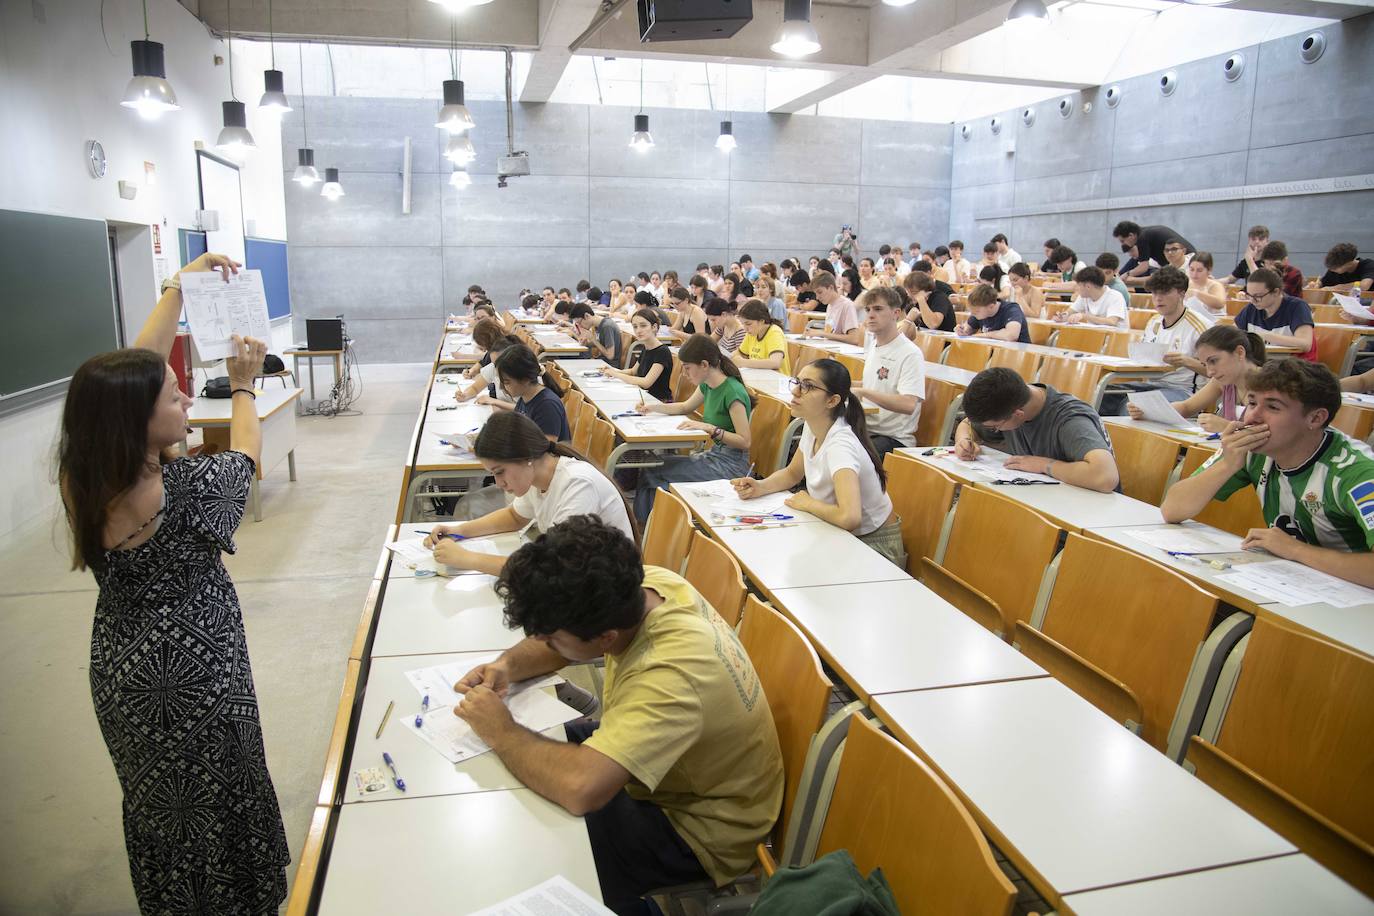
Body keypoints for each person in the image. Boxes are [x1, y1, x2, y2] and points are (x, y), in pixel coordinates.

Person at [59, 252, 290, 913]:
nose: (186, 396)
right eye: (173, 395)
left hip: (124, 670)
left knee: (164, 805)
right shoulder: (187, 490)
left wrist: (176, 290)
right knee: (224, 797)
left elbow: (128, 380)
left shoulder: (86, 480)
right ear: (138, 419)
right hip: (199, 676)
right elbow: (245, 455)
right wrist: (243, 385)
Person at [452, 516, 783, 916]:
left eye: (551, 636)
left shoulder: (670, 670)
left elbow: (581, 787)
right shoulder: (643, 586)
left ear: (606, 637)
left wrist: (501, 730)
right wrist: (506, 665)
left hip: (700, 826)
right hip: (681, 773)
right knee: (531, 764)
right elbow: (570, 645)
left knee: (545, 853)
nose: (544, 644)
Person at [1160, 359, 1374, 587]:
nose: (1253, 417)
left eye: (1273, 407)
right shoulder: (1253, 449)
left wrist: (1296, 550)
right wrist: (1227, 465)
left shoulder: (1358, 473)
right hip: (1296, 584)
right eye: (1252, 403)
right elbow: (1172, 510)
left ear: (1315, 418)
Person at [733, 359, 906, 566]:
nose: (796, 391)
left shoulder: (840, 446)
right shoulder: (813, 424)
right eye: (798, 382)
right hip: (839, 532)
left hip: (875, 546)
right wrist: (760, 487)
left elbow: (849, 517)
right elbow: (792, 474)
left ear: (832, 401)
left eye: (808, 386)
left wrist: (809, 503)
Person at [425, 414, 635, 577]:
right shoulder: (538, 476)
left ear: (526, 457)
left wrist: (468, 559)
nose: (498, 483)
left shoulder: (577, 485)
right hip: (580, 579)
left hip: (606, 594)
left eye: (500, 472)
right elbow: (515, 516)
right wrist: (459, 531)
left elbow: (550, 568)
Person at [634, 336, 752, 522]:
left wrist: (710, 428)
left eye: (688, 368)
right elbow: (684, 407)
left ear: (704, 364)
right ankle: (648, 526)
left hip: (730, 465)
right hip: (715, 455)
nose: (685, 374)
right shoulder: (708, 384)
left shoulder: (732, 392)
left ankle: (652, 528)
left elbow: (745, 441)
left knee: (655, 473)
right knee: (652, 467)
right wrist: (653, 407)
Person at [954, 368, 1120, 492]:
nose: (993, 430)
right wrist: (964, 441)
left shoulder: (1071, 420)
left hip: (1087, 511)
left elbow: (1105, 477)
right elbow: (967, 424)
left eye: (995, 428)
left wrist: (1043, 465)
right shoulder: (1010, 401)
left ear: (1018, 414)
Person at [1127, 325, 1265, 432]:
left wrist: (1228, 427)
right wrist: (1148, 411)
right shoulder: (1222, 381)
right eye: (1205, 364)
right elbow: (1186, 407)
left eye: (1214, 361)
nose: (1210, 372)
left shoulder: (1269, 385)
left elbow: (1274, 434)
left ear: (1239, 353)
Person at [852, 287, 924, 456]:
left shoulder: (910, 353)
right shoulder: (873, 345)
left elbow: (908, 404)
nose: (870, 315)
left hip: (893, 438)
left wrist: (862, 391)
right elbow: (878, 385)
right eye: (867, 309)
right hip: (867, 429)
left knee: (846, 457)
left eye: (878, 309)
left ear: (896, 313)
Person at [1134, 265, 1215, 400]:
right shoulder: (1154, 322)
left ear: (1181, 293)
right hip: (1151, 385)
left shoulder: (1201, 327)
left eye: (1164, 292)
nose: (1158, 298)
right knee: (1105, 395)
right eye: (1154, 293)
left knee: (1132, 406)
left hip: (1183, 390)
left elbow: (1217, 370)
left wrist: (1186, 361)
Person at [1237, 267, 1317, 361]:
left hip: (1295, 367)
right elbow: (1234, 335)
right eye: (1249, 295)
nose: (1253, 300)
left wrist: (1265, 336)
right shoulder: (1251, 308)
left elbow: (1305, 344)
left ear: (1276, 292)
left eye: (1258, 296)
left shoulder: (1297, 307)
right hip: (1264, 364)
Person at [496, 344, 571, 441]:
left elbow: (546, 448)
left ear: (525, 379)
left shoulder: (547, 405)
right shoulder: (526, 396)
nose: (501, 387)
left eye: (506, 382)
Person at [601, 308, 674, 402]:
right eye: (635, 327)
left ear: (654, 327)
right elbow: (633, 371)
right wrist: (612, 370)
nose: (638, 330)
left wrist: (616, 374)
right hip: (644, 397)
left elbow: (646, 382)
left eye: (643, 326)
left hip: (659, 401)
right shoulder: (646, 347)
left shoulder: (662, 351)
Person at [1113, 221, 1195, 279]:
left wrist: (1126, 275)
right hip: (1183, 259)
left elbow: (1143, 268)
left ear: (1131, 235)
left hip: (1186, 260)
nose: (1123, 244)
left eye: (1122, 241)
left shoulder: (1142, 238)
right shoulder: (1145, 233)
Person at [733, 299, 791, 373]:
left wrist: (743, 362)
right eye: (743, 324)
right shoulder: (752, 333)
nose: (745, 328)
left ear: (761, 321)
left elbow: (775, 362)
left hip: (777, 380)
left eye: (748, 324)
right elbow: (740, 353)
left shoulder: (774, 332)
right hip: (758, 376)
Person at [958, 283, 1029, 342]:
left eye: (976, 311)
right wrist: (963, 331)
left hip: (1017, 354)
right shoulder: (979, 312)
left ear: (991, 306)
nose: (972, 313)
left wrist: (985, 335)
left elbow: (1011, 335)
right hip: (992, 352)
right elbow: (969, 328)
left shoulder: (1012, 309)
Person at [805, 271, 862, 344]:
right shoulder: (830, 305)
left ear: (831, 288)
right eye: (815, 293)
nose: (817, 297)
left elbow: (854, 338)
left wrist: (822, 334)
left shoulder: (847, 305)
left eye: (820, 292)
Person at [1060, 266, 1128, 327]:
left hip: (1115, 338)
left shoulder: (1115, 297)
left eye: (1079, 285)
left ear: (1088, 287)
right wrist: (1062, 316)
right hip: (1096, 336)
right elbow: (1070, 311)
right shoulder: (1084, 296)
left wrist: (1084, 316)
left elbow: (1112, 321)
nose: (1077, 288)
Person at [571, 302, 624, 367]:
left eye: (579, 323)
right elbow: (602, 343)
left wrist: (593, 339)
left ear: (587, 316)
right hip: (601, 361)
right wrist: (587, 343)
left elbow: (610, 356)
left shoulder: (607, 326)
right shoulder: (597, 325)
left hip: (609, 365)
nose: (580, 326)